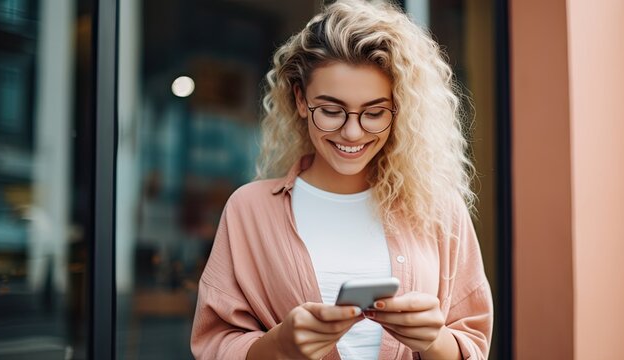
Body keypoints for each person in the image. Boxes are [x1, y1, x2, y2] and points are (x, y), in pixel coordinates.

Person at [190, 1, 493, 359]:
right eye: (331, 111)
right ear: (301, 100)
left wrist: (434, 340)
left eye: (375, 112)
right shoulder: (249, 210)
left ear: (400, 110)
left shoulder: (439, 209)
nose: (352, 132)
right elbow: (214, 345)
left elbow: (472, 343)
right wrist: (279, 345)